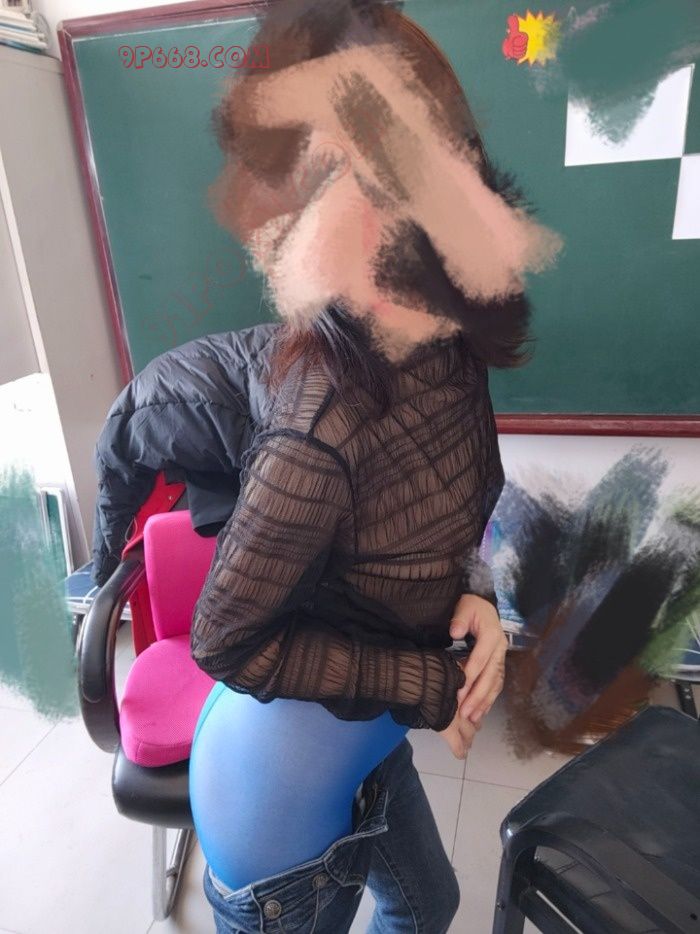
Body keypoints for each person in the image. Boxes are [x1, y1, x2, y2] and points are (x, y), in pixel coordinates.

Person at [188, 2, 563, 931]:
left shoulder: (452, 344)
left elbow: (457, 507)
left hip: (368, 737)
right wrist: (431, 685)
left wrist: (475, 594)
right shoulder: (320, 425)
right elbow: (225, 642)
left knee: (429, 905)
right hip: (278, 814)